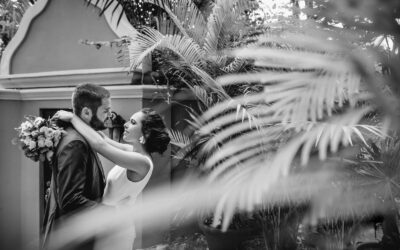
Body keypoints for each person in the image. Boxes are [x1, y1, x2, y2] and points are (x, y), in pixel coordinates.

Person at [53, 107, 170, 250]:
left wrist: (72, 118)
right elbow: (102, 138)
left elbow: (99, 145)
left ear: (145, 133)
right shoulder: (131, 150)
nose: (126, 124)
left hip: (117, 230)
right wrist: (85, 120)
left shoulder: (142, 163)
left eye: (133, 122)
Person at [42, 83, 112, 250]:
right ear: (87, 112)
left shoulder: (82, 136)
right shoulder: (75, 144)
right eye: (106, 110)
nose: (110, 115)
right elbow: (71, 200)